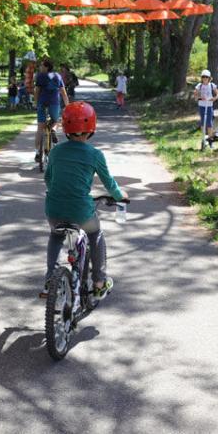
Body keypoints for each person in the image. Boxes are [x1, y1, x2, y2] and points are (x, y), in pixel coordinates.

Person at [42, 101, 127, 299]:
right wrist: (119, 195)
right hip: (80, 210)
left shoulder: (55, 152)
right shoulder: (95, 154)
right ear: (91, 129)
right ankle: (99, 281)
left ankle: (50, 276)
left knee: (56, 235)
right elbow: (109, 183)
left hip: (53, 209)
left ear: (65, 127)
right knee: (95, 235)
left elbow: (48, 179)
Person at [34, 58, 70, 163]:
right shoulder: (58, 76)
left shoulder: (40, 76)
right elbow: (63, 92)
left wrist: (36, 103)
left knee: (40, 127)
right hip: (54, 103)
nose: (40, 67)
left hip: (42, 103)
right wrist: (67, 106)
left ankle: (37, 152)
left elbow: (37, 91)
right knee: (55, 121)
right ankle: (53, 130)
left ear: (46, 67)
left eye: (41, 66)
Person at [193, 69, 218, 147]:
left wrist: (214, 98)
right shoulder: (199, 85)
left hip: (209, 106)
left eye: (206, 77)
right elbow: (195, 95)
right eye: (203, 77)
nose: (205, 78)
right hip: (202, 106)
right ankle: (203, 139)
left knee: (209, 123)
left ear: (209, 78)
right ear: (201, 78)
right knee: (203, 122)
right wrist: (199, 97)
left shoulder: (212, 85)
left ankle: (210, 140)